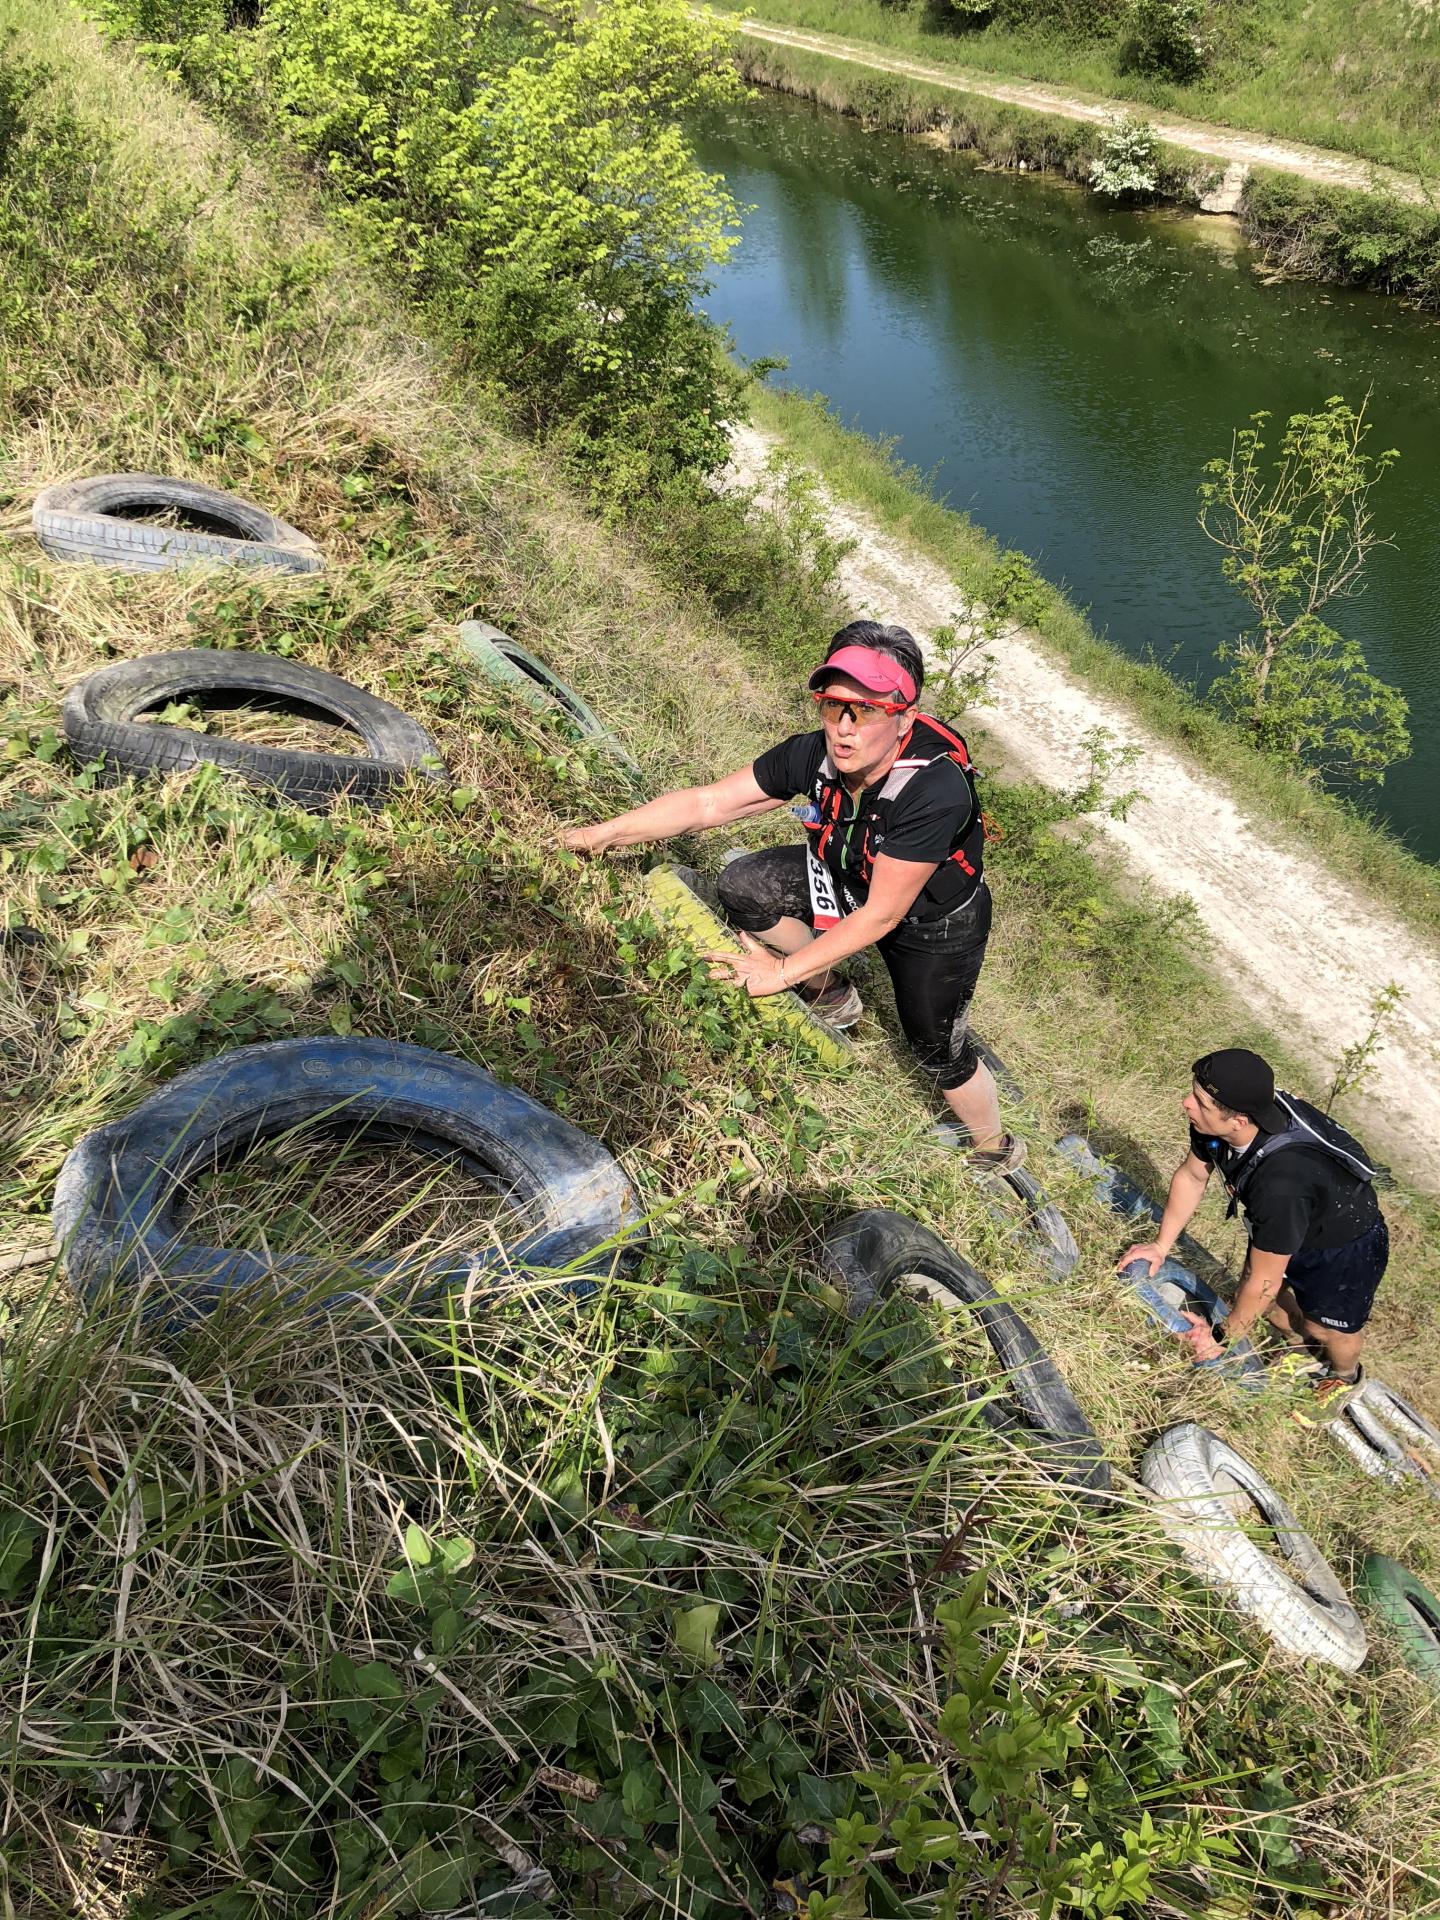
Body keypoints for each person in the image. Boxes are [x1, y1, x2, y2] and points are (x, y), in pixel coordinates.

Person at [561, 621, 1023, 1169]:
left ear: (904, 715)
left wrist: (776, 975)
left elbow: (883, 915)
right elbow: (710, 804)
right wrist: (597, 836)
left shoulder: (934, 789)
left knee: (936, 1050)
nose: (844, 730)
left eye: (867, 710)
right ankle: (830, 991)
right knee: (744, 887)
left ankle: (995, 1151)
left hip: (930, 924)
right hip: (854, 877)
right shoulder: (815, 755)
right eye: (833, 707)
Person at [1118, 1047, 1387, 1416]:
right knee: (1269, 1306)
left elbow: (1263, 1283)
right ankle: (1297, 1345)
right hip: (1292, 1220)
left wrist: (1219, 1340)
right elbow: (1193, 1175)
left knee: (1324, 1326)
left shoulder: (1280, 1184)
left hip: (1344, 1243)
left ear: (1239, 1122)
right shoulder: (1214, 1123)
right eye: (1193, 1093)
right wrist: (1160, 1247)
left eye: (1198, 1101)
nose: (1186, 1104)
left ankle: (1344, 1377)